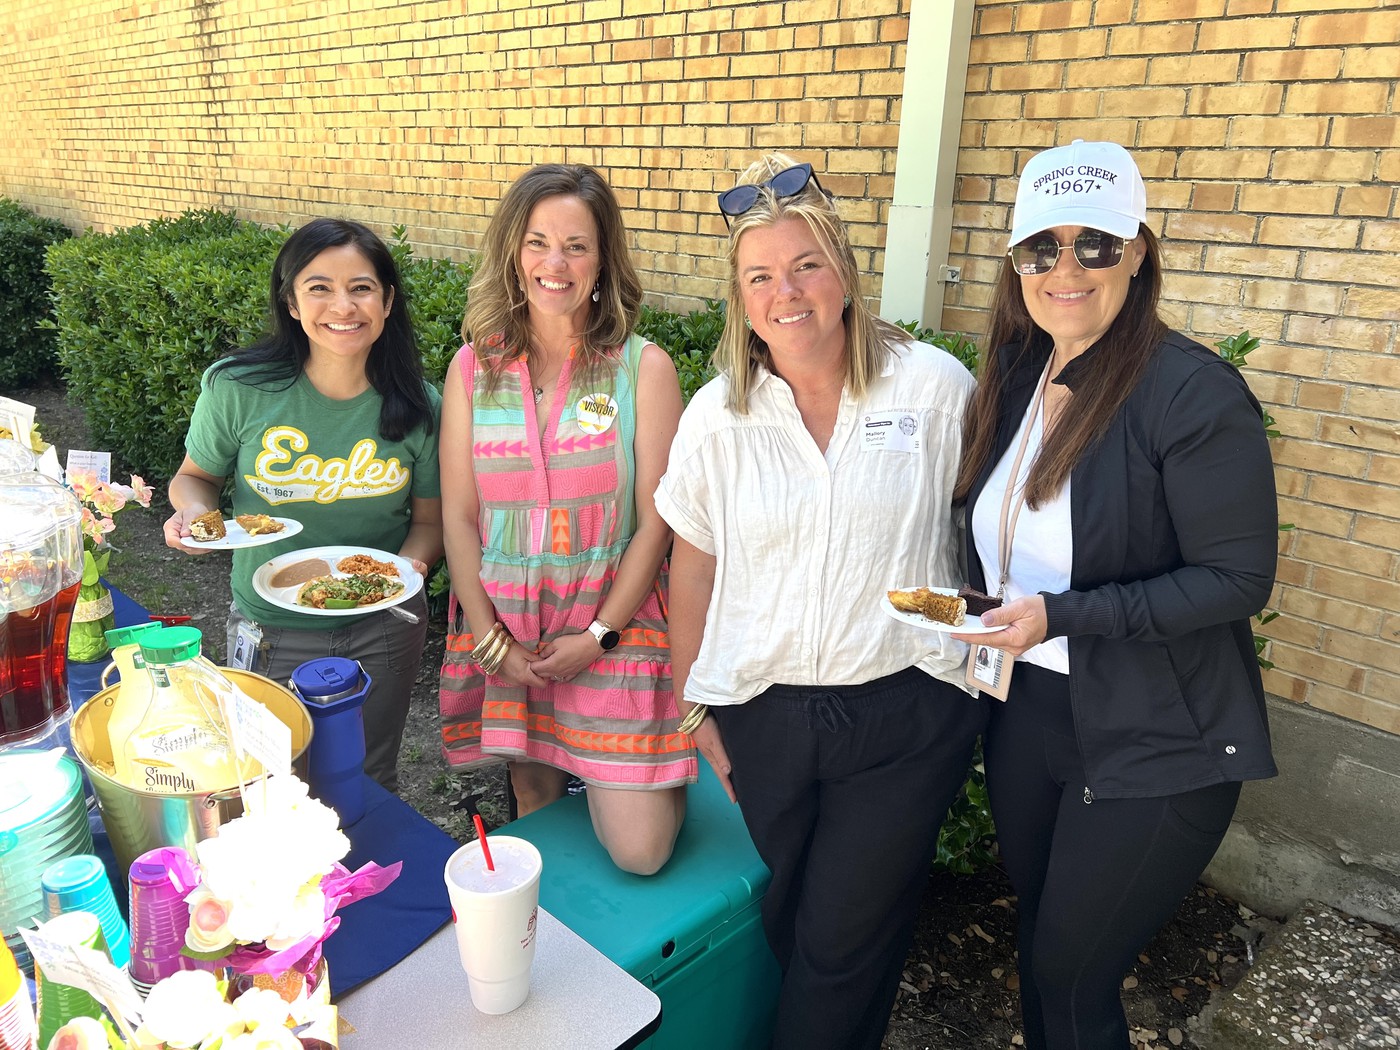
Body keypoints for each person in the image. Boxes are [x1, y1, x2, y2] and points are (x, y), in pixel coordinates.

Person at [951, 140, 1278, 1049]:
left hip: (1157, 737)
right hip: (1030, 712)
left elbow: (1237, 579)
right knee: (1041, 946)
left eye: (1094, 243)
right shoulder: (1019, 374)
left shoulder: (1192, 392)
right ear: (1015, 264)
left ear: (1138, 250)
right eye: (1040, 247)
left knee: (1073, 973)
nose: (1066, 268)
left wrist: (1066, 614)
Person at [655, 153, 985, 1050]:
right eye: (760, 275)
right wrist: (696, 705)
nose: (785, 291)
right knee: (795, 918)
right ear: (740, 296)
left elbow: (985, 537)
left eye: (805, 265)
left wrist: (965, 661)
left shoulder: (933, 388)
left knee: (842, 938)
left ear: (844, 272)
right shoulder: (717, 416)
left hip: (905, 708)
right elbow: (693, 567)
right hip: (765, 714)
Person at [437, 163, 694, 876]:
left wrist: (599, 635)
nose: (556, 263)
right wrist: (492, 642)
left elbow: (655, 524)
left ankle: (664, 771)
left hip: (616, 624)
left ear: (603, 261)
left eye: (577, 246)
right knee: (536, 802)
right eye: (538, 242)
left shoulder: (644, 369)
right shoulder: (472, 369)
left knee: (640, 853)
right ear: (513, 254)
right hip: (511, 630)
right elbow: (459, 517)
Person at [163, 217, 443, 792]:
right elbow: (195, 479)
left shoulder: (421, 405)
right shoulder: (239, 388)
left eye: (361, 287)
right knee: (268, 775)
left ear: (387, 301)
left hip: (383, 624)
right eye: (319, 287)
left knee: (369, 774)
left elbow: (430, 522)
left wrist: (403, 573)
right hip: (271, 623)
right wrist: (196, 514)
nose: (343, 305)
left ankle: (364, 877)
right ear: (291, 302)